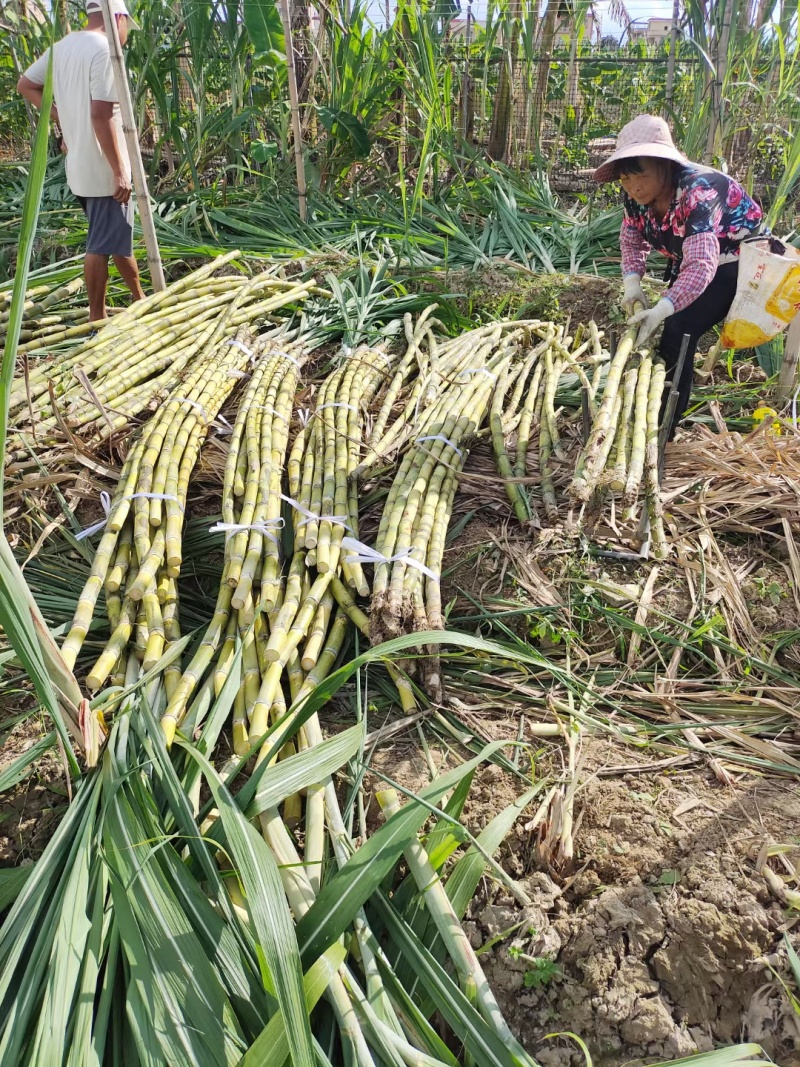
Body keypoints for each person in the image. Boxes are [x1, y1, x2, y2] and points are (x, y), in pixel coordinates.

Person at [594, 114, 764, 437]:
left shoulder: (697, 191)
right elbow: (631, 237)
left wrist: (663, 307)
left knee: (680, 326)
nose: (633, 187)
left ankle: (664, 426)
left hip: (742, 259)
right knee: (672, 324)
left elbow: (701, 265)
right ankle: (655, 409)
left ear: (663, 164)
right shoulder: (636, 198)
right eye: (625, 179)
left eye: (639, 175)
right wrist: (632, 283)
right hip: (697, 257)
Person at [17, 0, 145, 322]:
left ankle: (141, 299)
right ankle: (96, 318)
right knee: (100, 244)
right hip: (103, 166)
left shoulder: (63, 47)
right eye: (127, 25)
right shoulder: (104, 50)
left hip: (79, 167)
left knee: (114, 237)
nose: (127, 33)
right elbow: (102, 116)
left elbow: (26, 85)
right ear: (118, 18)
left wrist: (65, 119)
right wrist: (119, 172)